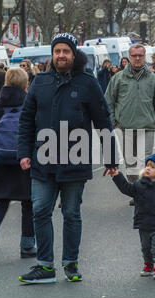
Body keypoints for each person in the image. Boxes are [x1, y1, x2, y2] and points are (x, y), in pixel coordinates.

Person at [17, 33, 118, 284]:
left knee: (71, 213)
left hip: (75, 158)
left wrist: (111, 157)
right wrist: (23, 153)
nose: (61, 55)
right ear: (52, 55)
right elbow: (26, 120)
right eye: (57, 51)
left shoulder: (87, 83)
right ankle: (45, 266)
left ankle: (70, 263)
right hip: (43, 157)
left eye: (66, 51)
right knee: (40, 211)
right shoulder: (39, 82)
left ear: (74, 55)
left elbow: (103, 120)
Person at [0, 68, 36, 263]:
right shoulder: (30, 104)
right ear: (25, 84)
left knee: (0, 204)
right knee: (28, 203)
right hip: (24, 161)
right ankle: (27, 245)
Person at [105, 43, 155, 205]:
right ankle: (136, 191)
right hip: (124, 127)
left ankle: (146, 193)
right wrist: (112, 124)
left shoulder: (153, 79)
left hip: (146, 127)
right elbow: (108, 102)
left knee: (146, 161)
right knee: (131, 163)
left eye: (140, 55)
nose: (137, 58)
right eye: (134, 56)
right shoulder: (118, 78)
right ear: (129, 57)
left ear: (144, 56)